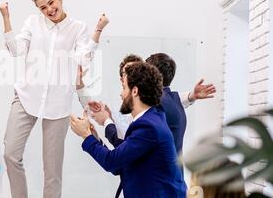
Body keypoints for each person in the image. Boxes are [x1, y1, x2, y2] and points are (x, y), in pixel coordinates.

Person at [0, 0, 109, 198]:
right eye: (43, 7)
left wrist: (98, 30)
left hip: (58, 104)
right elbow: (16, 50)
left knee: (52, 170)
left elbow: (83, 58)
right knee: (10, 154)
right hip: (27, 96)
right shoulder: (32, 23)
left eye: (51, 2)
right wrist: (6, 18)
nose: (49, 9)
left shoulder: (78, 28)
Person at [70, 62, 187, 198]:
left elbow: (112, 162)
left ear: (135, 91)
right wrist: (95, 137)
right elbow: (120, 162)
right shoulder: (151, 119)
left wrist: (86, 136)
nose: (121, 94)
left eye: (123, 87)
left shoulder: (149, 126)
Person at [88, 54, 216, 152]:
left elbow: (124, 148)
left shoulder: (151, 108)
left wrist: (106, 121)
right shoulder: (171, 100)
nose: (128, 77)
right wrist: (191, 96)